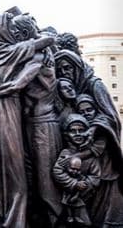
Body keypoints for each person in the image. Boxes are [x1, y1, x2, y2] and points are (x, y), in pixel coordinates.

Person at [0, 12, 54, 227]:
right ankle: (15, 219)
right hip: (8, 110)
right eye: (9, 29)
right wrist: (45, 47)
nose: (12, 33)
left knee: (0, 164)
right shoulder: (13, 52)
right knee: (15, 169)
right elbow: (49, 39)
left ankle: (5, 215)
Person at [73, 94, 123, 227]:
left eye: (89, 110)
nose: (86, 113)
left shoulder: (101, 127)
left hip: (108, 174)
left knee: (109, 207)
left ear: (95, 109)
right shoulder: (82, 126)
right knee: (95, 208)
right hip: (93, 175)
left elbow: (96, 149)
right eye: (82, 111)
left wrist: (76, 157)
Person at [52, 114, 101, 226]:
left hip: (86, 196)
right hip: (69, 197)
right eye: (73, 131)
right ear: (66, 135)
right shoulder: (66, 154)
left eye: (81, 130)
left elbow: (96, 176)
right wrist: (74, 183)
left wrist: (85, 186)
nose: (78, 134)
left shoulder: (91, 156)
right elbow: (57, 171)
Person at [55, 49, 121, 130]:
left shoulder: (95, 85)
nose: (63, 73)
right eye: (59, 70)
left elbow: (111, 118)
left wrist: (93, 129)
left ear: (77, 67)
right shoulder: (63, 86)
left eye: (67, 68)